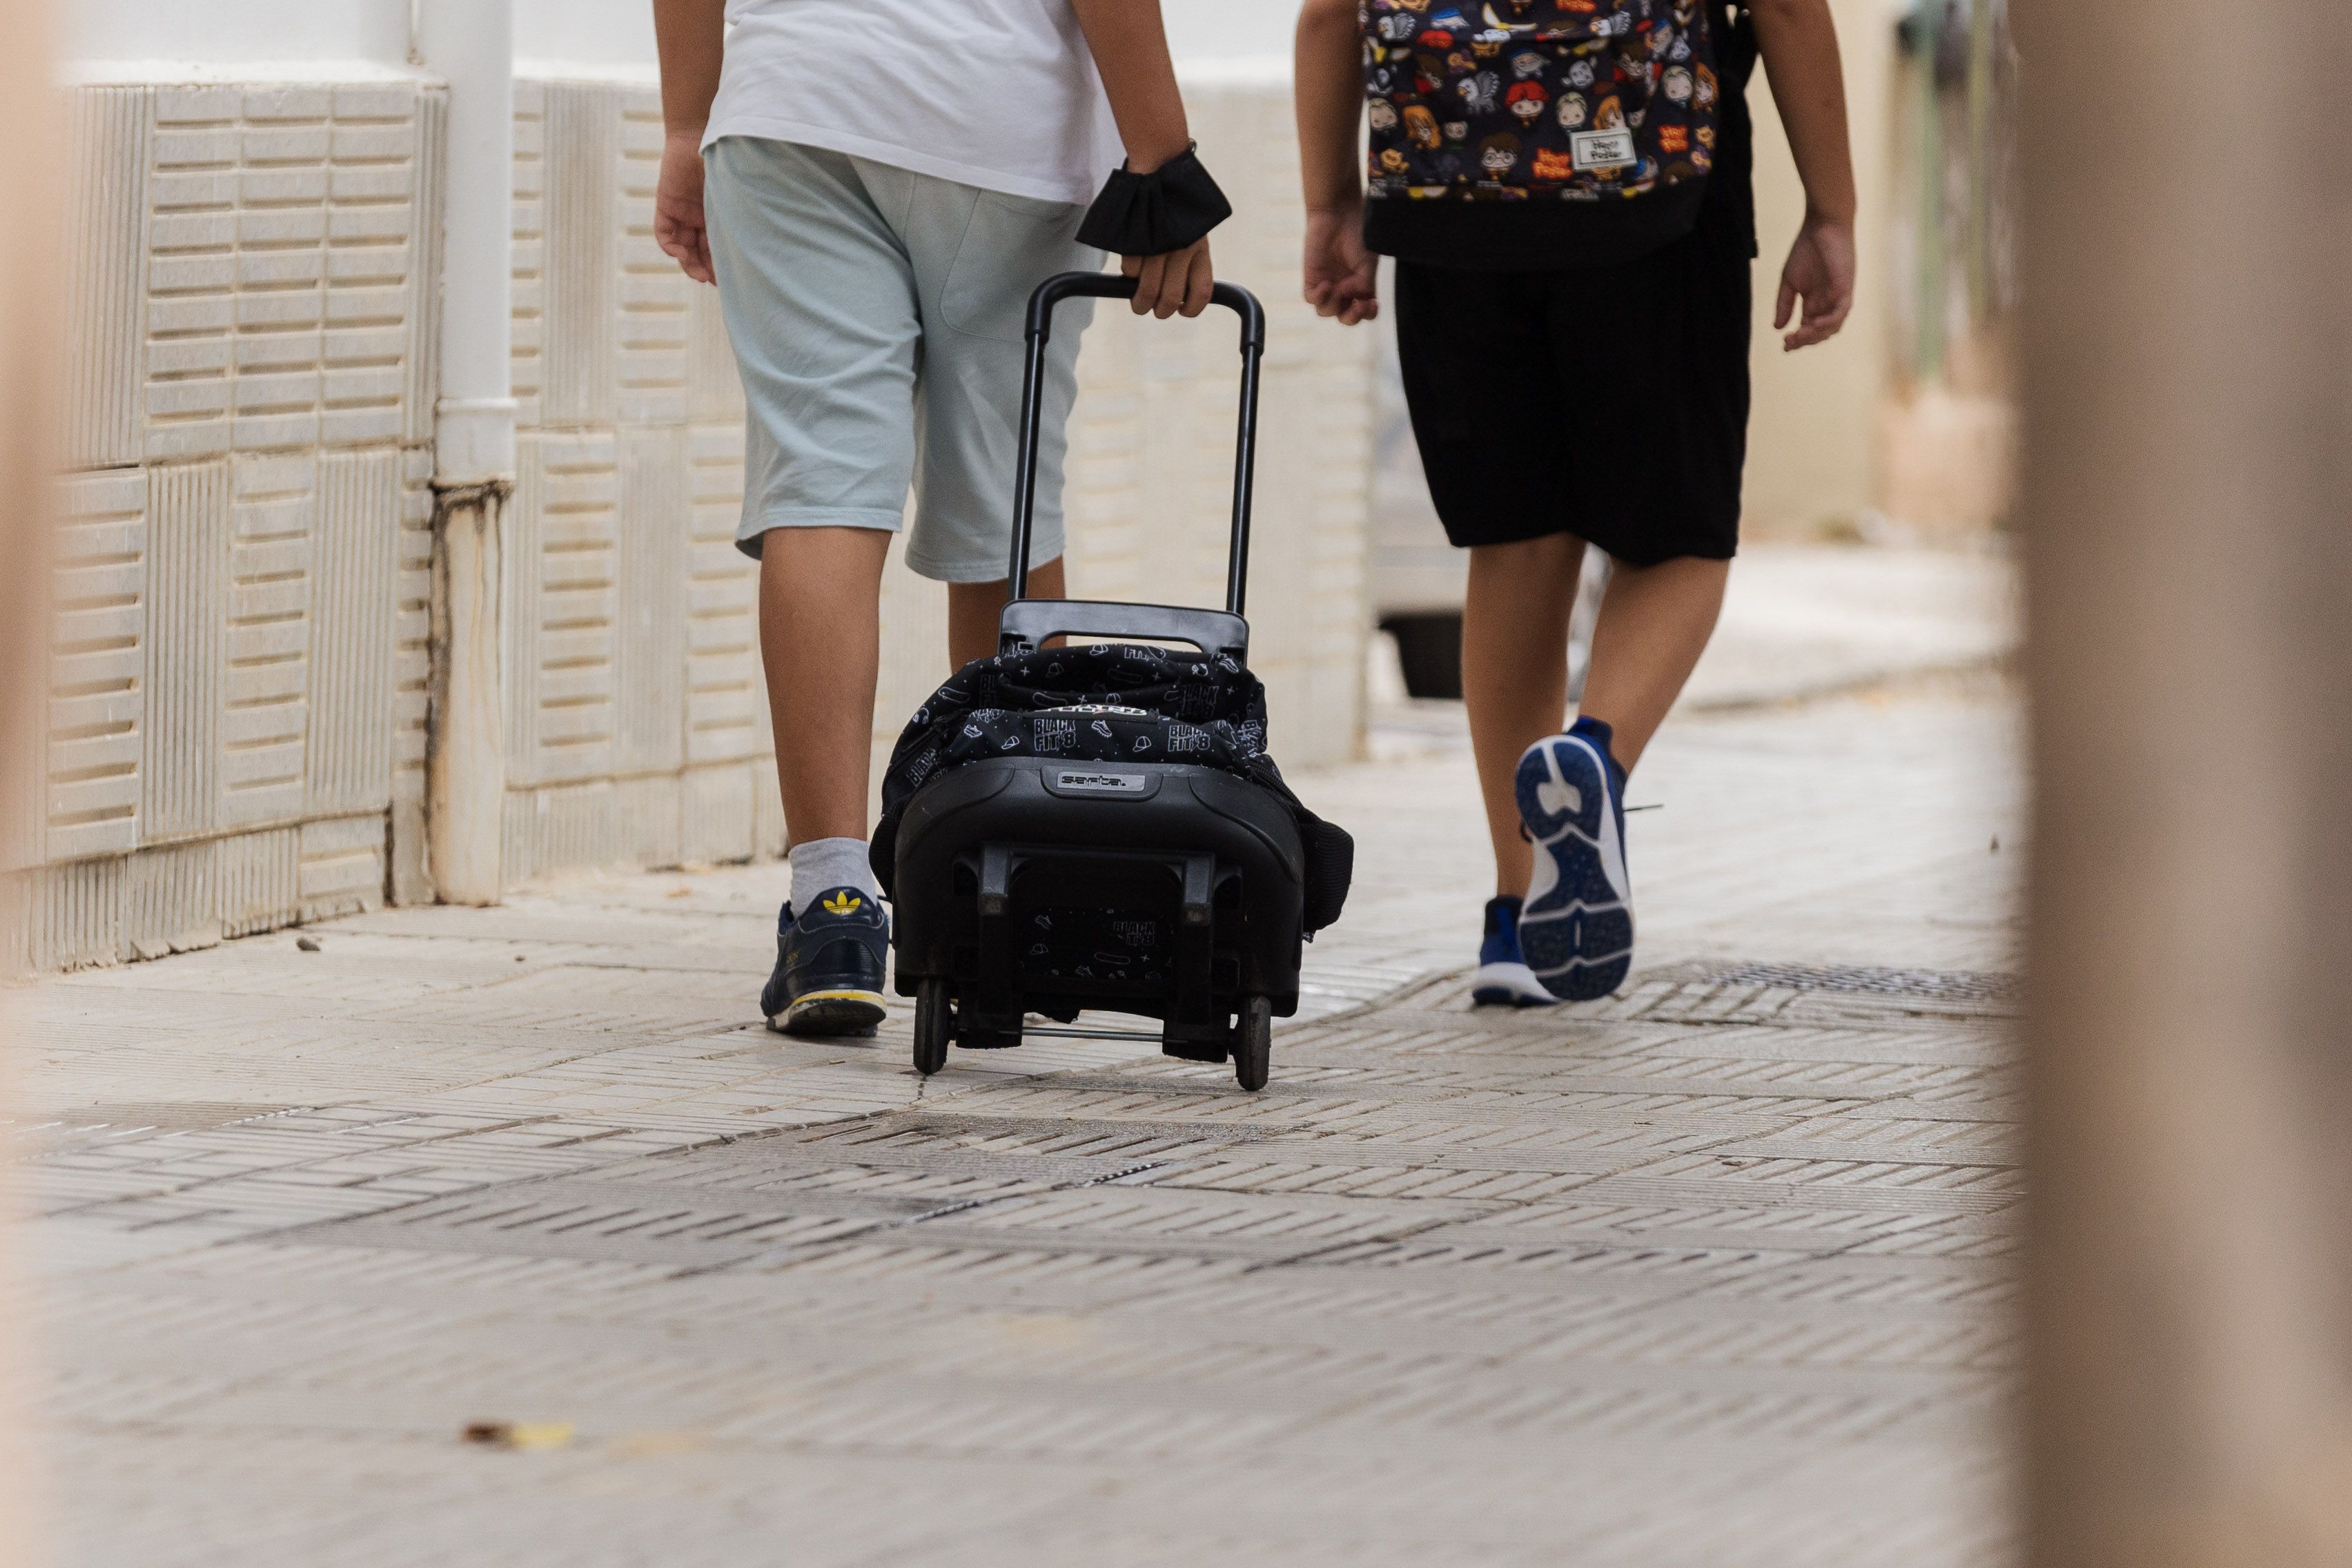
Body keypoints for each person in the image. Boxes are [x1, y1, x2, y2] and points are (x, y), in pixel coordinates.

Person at [653, 0, 1231, 1036]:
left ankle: (830, 905)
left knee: (822, 489)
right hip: (995, 122)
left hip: (791, 107)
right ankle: (1006, 891)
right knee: (1006, 515)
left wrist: (682, 129)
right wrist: (1164, 161)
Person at [1295, 0, 1858, 1006]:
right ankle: (1591, 758)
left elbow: (1330, 13)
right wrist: (1833, 209)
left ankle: (1515, 923)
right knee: (1681, 543)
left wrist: (1331, 202)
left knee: (1514, 547)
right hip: (1653, 192)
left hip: (1448, 191)